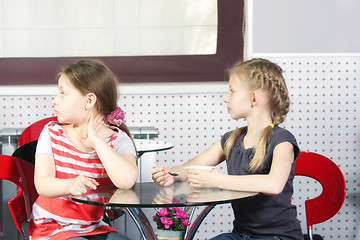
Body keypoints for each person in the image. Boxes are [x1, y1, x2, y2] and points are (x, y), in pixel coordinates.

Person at [151, 58, 303, 240]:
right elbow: (191, 168)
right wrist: (171, 174)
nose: (225, 98)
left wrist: (218, 180)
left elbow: (274, 184)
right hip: (241, 235)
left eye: (232, 91)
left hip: (279, 237)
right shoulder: (231, 140)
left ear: (253, 98)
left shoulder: (282, 141)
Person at [29, 59, 138, 240]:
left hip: (94, 227)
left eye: (63, 93)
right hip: (52, 228)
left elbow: (126, 181)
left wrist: (96, 141)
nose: (55, 100)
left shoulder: (118, 140)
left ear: (89, 100)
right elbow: (42, 184)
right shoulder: (51, 132)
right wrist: (70, 184)